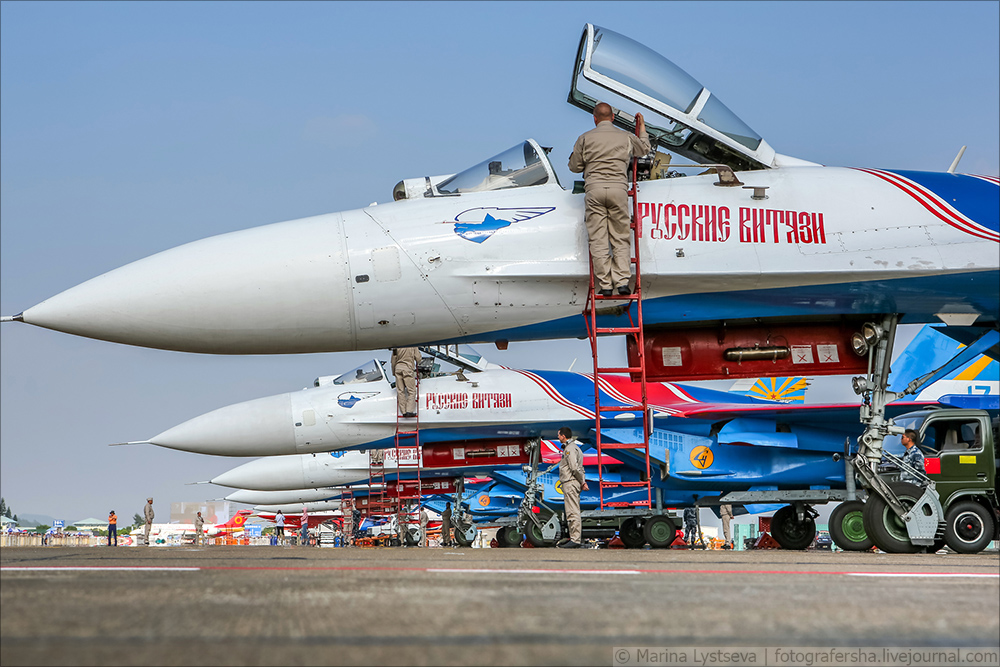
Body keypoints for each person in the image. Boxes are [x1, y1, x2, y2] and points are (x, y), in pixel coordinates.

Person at [568, 102, 651, 297]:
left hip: (594, 190)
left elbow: (574, 167)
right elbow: (644, 149)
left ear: (595, 119)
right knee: (620, 237)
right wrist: (642, 129)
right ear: (613, 117)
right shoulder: (625, 137)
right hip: (618, 190)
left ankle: (605, 284)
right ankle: (622, 283)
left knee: (598, 239)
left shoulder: (585, 138)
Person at [556, 427, 588, 548]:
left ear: (563, 436)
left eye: (559, 435)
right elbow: (580, 468)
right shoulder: (576, 448)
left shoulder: (569, 449)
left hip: (570, 482)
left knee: (572, 512)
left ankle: (575, 540)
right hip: (574, 482)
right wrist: (582, 481)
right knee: (573, 511)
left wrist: (581, 481)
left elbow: (574, 468)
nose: (558, 437)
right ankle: (574, 538)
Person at [391, 347, 421, 417]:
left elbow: (393, 361)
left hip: (397, 369)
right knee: (411, 391)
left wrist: (393, 372)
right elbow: (418, 358)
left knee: (400, 391)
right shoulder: (413, 346)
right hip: (407, 368)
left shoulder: (398, 345)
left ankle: (403, 411)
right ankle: (409, 410)